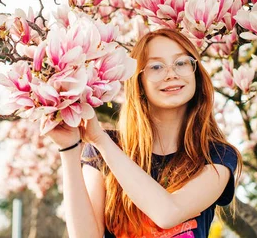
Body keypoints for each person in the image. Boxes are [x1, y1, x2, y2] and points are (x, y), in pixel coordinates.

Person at [46, 28, 242, 238]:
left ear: (196, 73)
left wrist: (101, 140)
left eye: (182, 63)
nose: (171, 73)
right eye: (156, 67)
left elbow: (168, 213)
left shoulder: (217, 156)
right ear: (139, 82)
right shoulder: (105, 149)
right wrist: (68, 149)